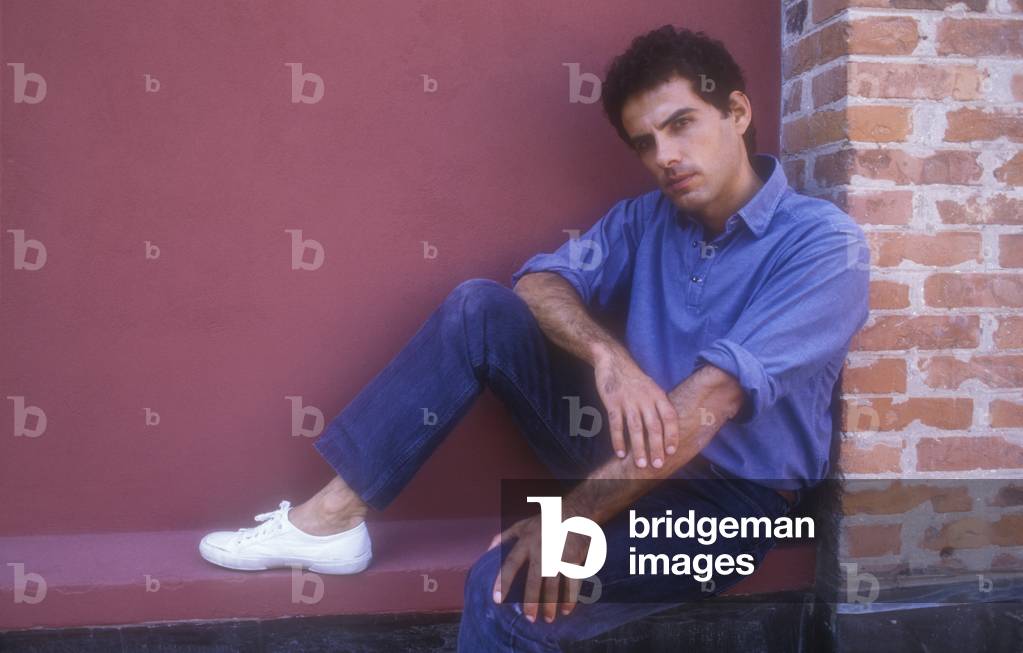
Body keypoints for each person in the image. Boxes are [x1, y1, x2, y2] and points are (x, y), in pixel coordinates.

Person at [199, 24, 870, 651]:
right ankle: (332, 520)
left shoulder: (821, 245)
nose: (665, 157)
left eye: (680, 124)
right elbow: (537, 284)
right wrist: (609, 357)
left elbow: (708, 403)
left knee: (505, 590)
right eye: (644, 142)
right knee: (479, 307)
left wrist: (567, 518)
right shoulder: (646, 219)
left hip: (730, 503)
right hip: (624, 449)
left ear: (738, 111)